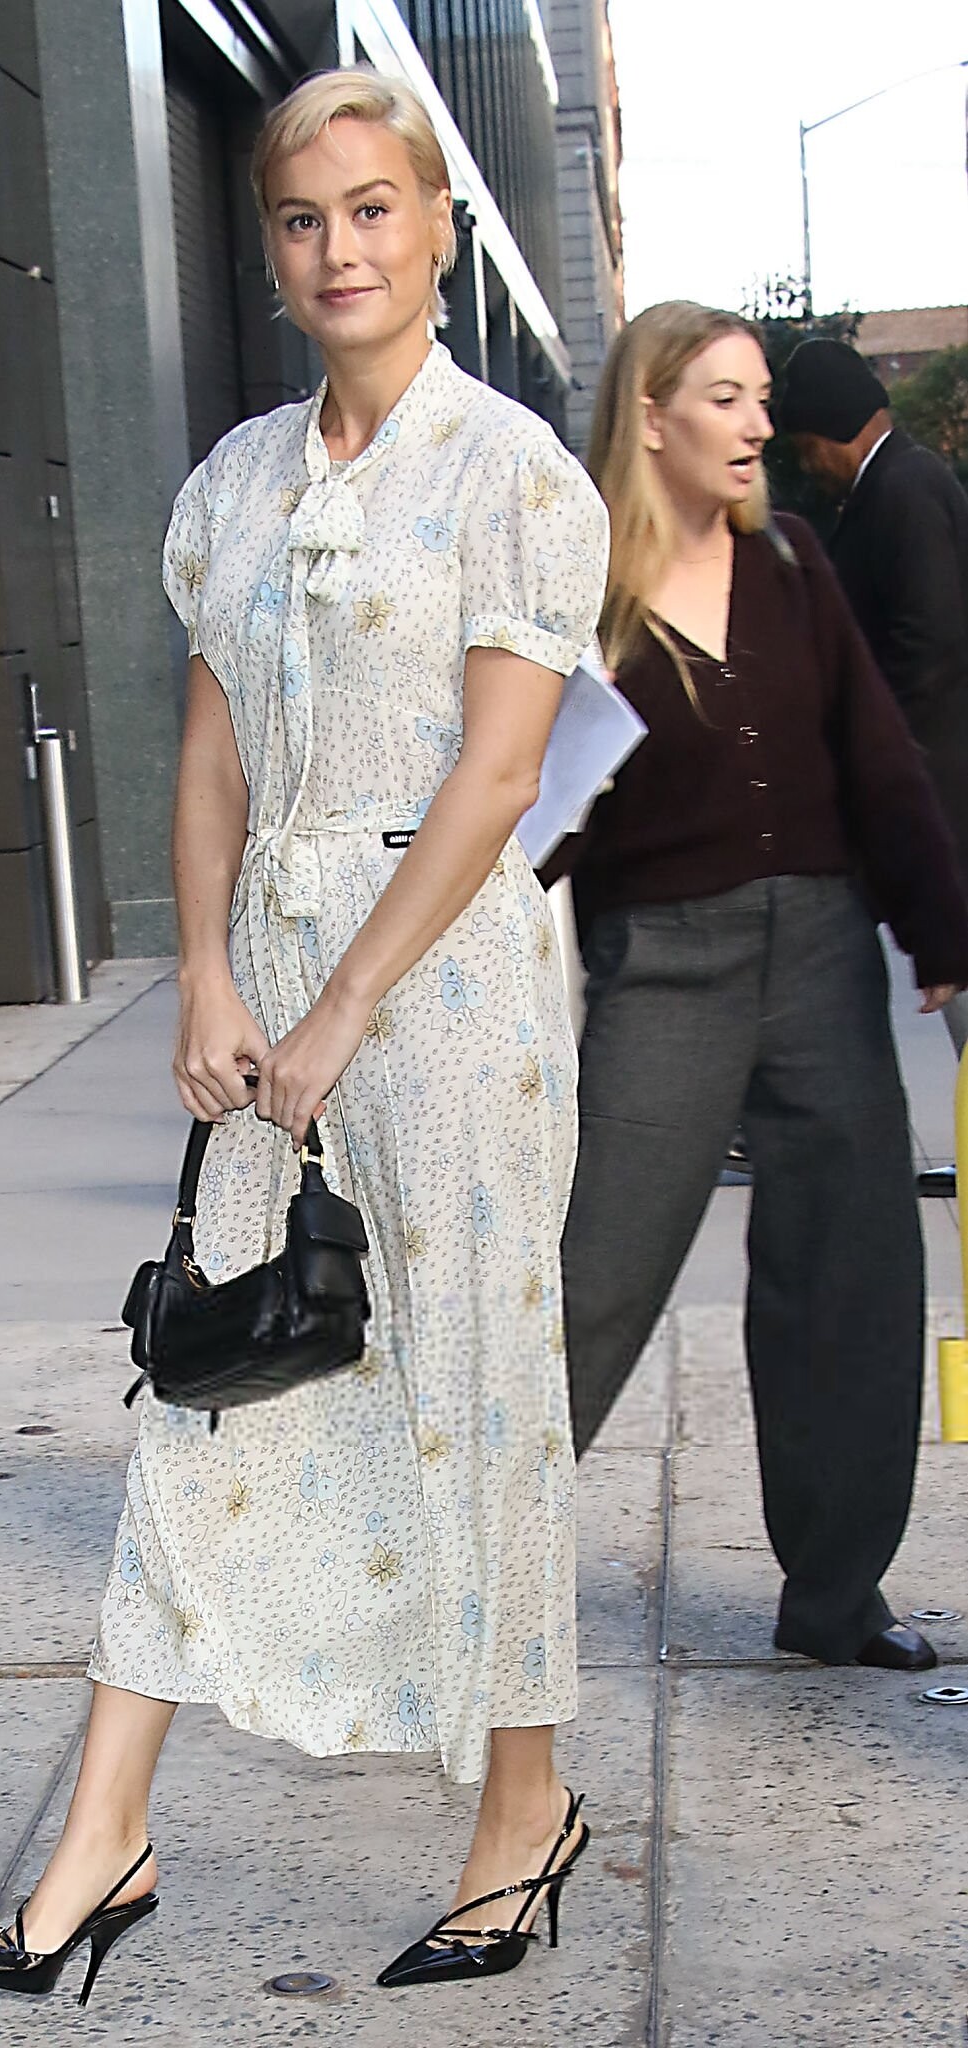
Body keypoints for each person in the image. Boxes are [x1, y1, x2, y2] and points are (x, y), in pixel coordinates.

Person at [0, 68, 608, 2004]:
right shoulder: (230, 481)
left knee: (472, 1390)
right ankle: (101, 1838)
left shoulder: (511, 478)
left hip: (448, 991)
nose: (338, 249)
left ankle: (519, 1809)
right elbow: (212, 757)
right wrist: (208, 975)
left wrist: (349, 998)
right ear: (270, 245)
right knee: (200, 1389)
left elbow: (496, 776)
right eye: (303, 219)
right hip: (274, 992)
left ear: (438, 225)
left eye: (373, 209)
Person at [548, 301, 968, 1678]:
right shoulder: (578, 587)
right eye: (724, 398)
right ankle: (444, 1577)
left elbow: (875, 751)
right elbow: (527, 800)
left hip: (824, 954)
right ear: (650, 415)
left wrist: (939, 924)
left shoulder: (789, 559)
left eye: (760, 399)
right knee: (592, 1276)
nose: (757, 424)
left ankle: (835, 1596)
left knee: (852, 1272)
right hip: (663, 966)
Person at [782, 336, 968, 1052]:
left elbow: (930, 638)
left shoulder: (902, 490)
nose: (808, 465)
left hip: (946, 789)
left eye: (807, 447)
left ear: (832, 427)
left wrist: (872, 739)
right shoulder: (897, 484)